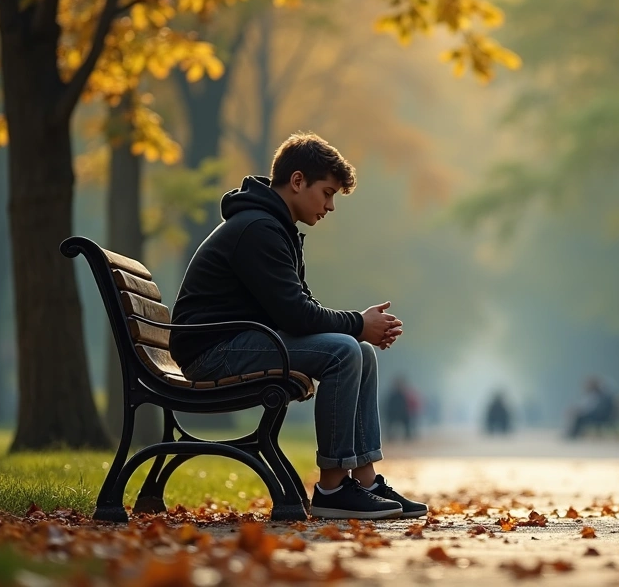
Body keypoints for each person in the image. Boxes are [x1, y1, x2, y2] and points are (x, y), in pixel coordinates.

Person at [169, 132, 427, 520]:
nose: (330, 206)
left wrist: (360, 329)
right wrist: (358, 322)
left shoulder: (273, 227)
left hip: (238, 342)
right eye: (327, 193)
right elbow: (296, 315)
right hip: (213, 353)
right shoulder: (258, 229)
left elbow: (298, 309)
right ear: (297, 181)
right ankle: (333, 488)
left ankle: (366, 480)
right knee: (344, 351)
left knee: (361, 352)